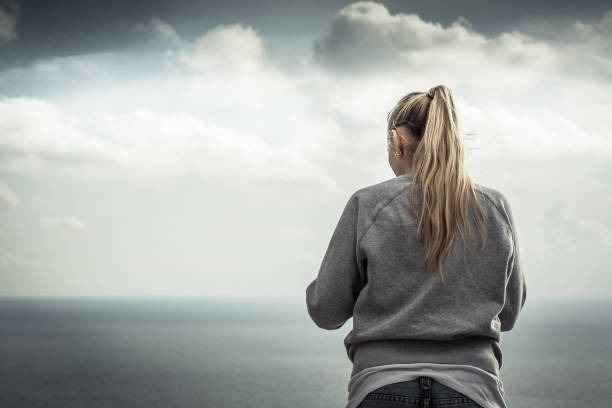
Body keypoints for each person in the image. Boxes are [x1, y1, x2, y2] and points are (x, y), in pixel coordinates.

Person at [305, 85, 527, 408]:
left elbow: (325, 311)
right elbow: (508, 314)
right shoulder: (494, 207)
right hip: (473, 391)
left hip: (381, 388)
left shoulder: (367, 204)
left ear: (397, 141)